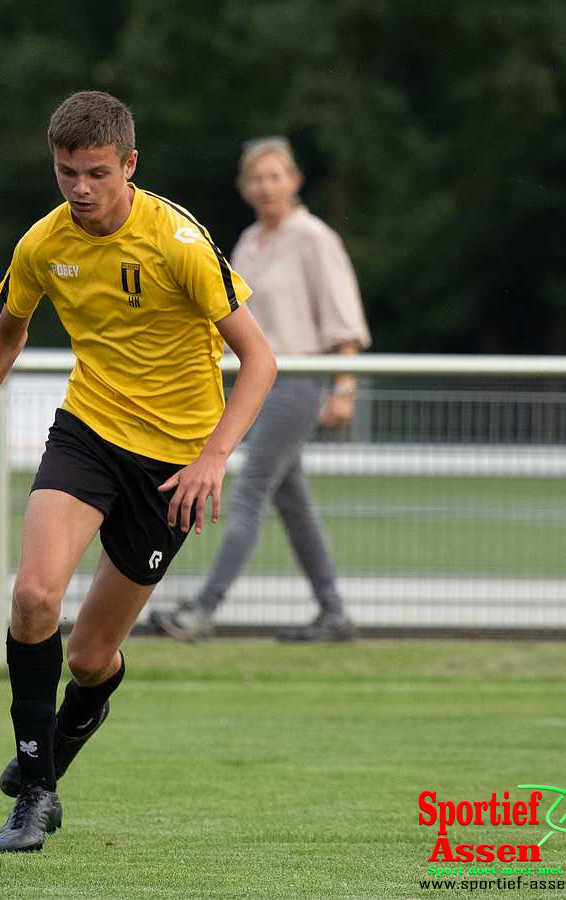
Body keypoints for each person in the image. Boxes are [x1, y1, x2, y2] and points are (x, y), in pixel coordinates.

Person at [0, 91, 277, 852]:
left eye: (95, 173)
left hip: (174, 464)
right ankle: (36, 789)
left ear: (129, 166)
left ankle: (66, 736)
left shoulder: (179, 241)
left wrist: (214, 456)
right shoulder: (44, 244)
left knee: (88, 658)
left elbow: (261, 360)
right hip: (87, 434)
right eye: (65, 173)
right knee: (31, 597)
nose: (80, 189)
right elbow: (4, 335)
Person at [153, 137, 371, 644]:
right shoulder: (249, 242)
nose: (267, 187)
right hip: (258, 383)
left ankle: (203, 610)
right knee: (292, 502)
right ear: (244, 188)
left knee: (249, 491)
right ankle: (334, 612)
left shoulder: (314, 238)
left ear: (294, 181)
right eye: (257, 178)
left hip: (298, 381)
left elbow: (343, 322)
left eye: (276, 176)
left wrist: (344, 390)